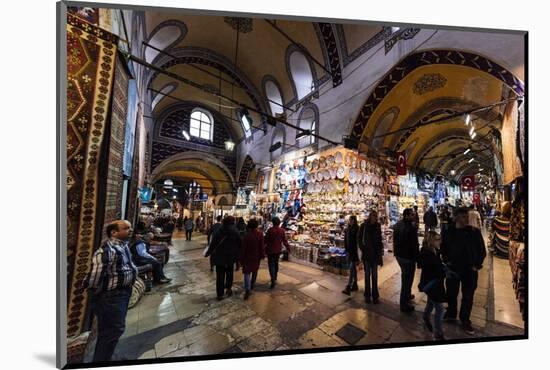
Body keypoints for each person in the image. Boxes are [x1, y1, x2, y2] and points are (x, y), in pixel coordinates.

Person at [83, 220, 138, 362]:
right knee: (112, 331)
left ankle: (107, 356)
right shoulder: (107, 251)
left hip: (122, 293)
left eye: (130, 228)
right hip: (112, 296)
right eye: (126, 228)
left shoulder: (122, 247)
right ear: (113, 232)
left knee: (113, 330)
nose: (130, 230)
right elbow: (94, 277)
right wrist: (98, 294)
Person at [440, 207, 486, 335]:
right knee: (451, 293)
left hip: (469, 270)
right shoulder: (449, 232)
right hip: (453, 269)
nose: (466, 219)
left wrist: (476, 265)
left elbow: (481, 250)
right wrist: (446, 260)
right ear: (456, 217)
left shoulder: (474, 232)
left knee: (468, 296)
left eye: (467, 216)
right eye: (463, 216)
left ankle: (465, 319)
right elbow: (443, 247)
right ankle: (451, 313)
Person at [418, 231, 446, 340]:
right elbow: (433, 271)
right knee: (440, 309)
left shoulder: (434, 251)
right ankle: (438, 333)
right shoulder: (427, 254)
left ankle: (425, 316)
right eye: (437, 239)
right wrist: (444, 272)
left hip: (434, 284)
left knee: (431, 301)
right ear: (431, 241)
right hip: (433, 284)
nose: (440, 241)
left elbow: (437, 266)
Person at [205, 216, 241, 300]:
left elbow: (213, 243)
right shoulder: (235, 231)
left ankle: (219, 294)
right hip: (230, 257)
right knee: (229, 273)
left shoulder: (219, 230)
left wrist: (208, 252)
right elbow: (240, 243)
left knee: (220, 276)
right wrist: (239, 255)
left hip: (219, 257)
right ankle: (228, 289)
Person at [393, 208, 420, 312]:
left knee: (406, 278)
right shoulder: (411, 227)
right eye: (412, 214)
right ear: (406, 215)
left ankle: (407, 295)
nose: (413, 216)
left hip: (400, 256)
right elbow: (414, 244)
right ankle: (404, 304)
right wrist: (417, 257)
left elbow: (395, 240)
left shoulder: (397, 225)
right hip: (408, 257)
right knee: (407, 280)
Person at [358, 210, 384, 304]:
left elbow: (380, 239)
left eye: (375, 217)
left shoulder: (377, 226)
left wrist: (381, 251)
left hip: (375, 255)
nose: (374, 219)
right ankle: (367, 295)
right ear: (370, 217)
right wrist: (363, 248)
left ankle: (375, 296)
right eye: (373, 217)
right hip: (367, 255)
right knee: (367, 276)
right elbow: (359, 239)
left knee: (375, 276)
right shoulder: (363, 226)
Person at [240, 219, 265, 300]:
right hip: (256, 256)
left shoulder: (247, 235)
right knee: (255, 270)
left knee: (246, 273)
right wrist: (262, 255)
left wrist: (241, 258)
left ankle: (247, 289)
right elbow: (261, 246)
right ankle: (252, 284)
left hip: (247, 257)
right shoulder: (260, 234)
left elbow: (243, 248)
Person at [264, 217, 291, 289]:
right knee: (276, 263)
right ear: (279, 223)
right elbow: (285, 241)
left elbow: (265, 240)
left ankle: (272, 278)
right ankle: (275, 277)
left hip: (270, 250)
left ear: (273, 222)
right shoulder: (281, 231)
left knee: (271, 265)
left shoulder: (270, 230)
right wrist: (288, 248)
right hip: (278, 250)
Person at [342, 215, 360, 295]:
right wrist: (346, 249)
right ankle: (355, 284)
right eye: (350, 220)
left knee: (351, 269)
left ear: (355, 221)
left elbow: (357, 242)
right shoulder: (348, 229)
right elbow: (346, 240)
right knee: (353, 269)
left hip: (354, 252)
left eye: (352, 220)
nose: (351, 221)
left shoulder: (357, 229)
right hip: (350, 251)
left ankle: (348, 287)